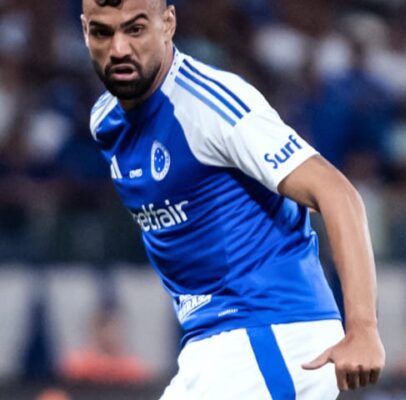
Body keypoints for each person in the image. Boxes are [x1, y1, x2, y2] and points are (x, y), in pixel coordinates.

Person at [79, 0, 385, 398]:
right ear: (85, 31)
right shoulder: (106, 120)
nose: (119, 49)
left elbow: (338, 194)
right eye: (103, 32)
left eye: (135, 30)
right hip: (211, 345)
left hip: (271, 336)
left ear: (168, 23)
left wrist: (362, 329)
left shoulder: (210, 106)